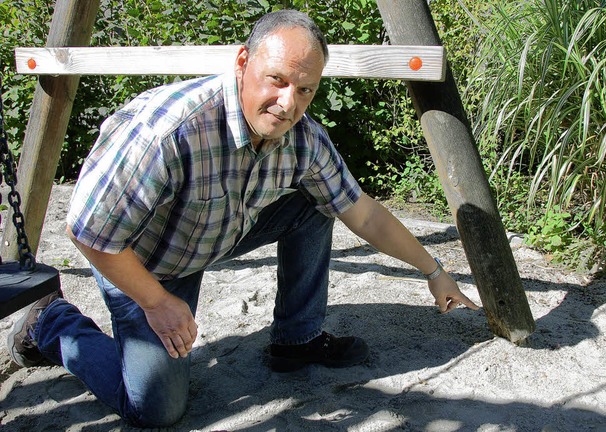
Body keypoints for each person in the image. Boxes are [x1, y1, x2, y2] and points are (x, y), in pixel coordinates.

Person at [8, 9, 479, 428]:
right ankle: (51, 322)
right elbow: (89, 233)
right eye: (277, 79)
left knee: (318, 204)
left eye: (306, 89)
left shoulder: (305, 138)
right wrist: (157, 302)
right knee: (155, 410)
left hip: (211, 232)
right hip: (138, 260)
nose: (288, 103)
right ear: (242, 62)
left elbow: (364, 213)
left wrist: (433, 271)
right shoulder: (169, 131)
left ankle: (298, 340)